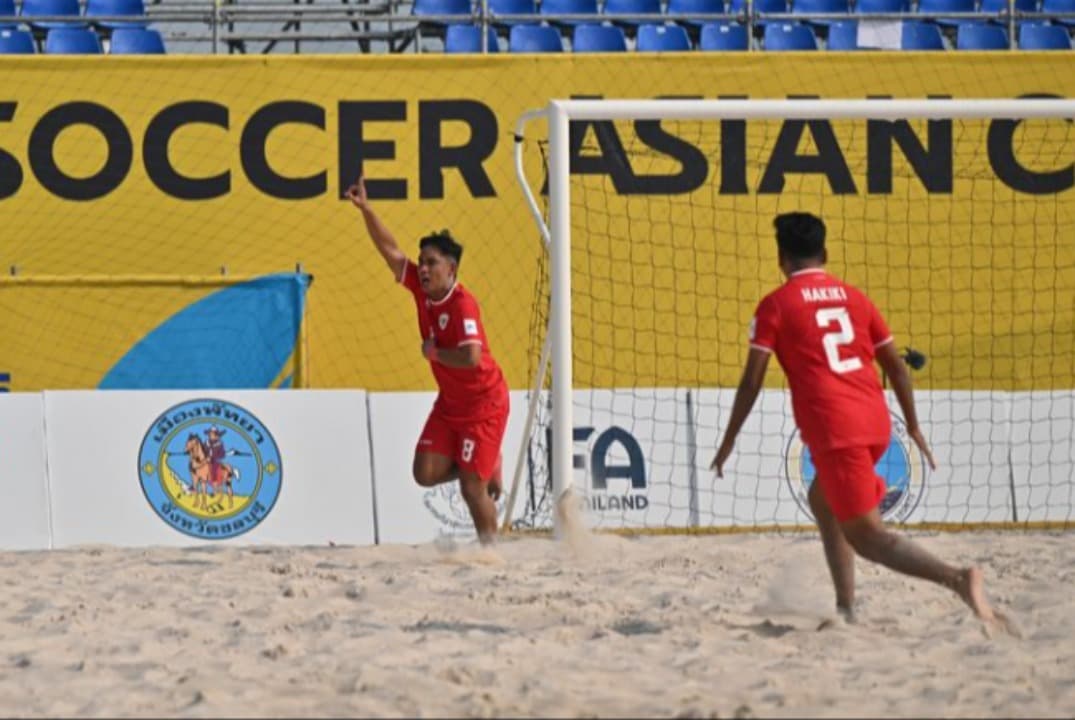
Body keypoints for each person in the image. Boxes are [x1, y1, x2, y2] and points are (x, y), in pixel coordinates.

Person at [711, 211, 1004, 627]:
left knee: (868, 536)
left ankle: (959, 579)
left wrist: (729, 440)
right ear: (825, 253)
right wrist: (914, 426)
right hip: (875, 419)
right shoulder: (855, 297)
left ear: (781, 258)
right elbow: (898, 369)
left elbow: (751, 382)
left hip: (836, 429)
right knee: (822, 499)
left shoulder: (775, 305)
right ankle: (846, 608)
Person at [345, 176, 509, 545]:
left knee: (471, 489)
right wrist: (366, 210)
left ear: (451, 270)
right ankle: (484, 464)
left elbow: (471, 356)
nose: (422, 267)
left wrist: (433, 353)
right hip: (451, 404)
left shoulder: (462, 303)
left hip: (484, 404)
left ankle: (492, 553)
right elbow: (391, 252)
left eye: (431, 263)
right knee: (424, 472)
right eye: (421, 262)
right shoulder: (421, 289)